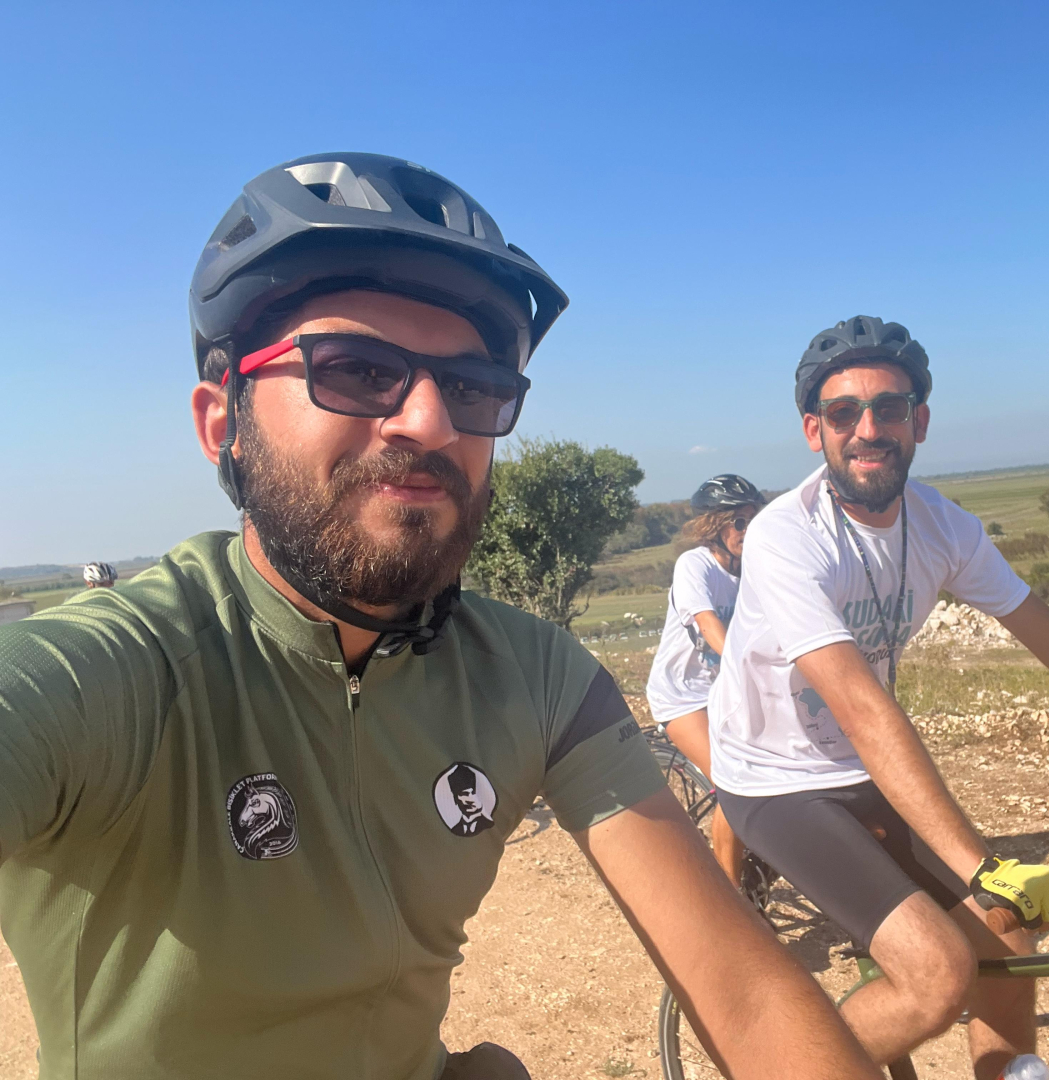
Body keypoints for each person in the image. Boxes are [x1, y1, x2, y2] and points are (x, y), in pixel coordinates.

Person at [0, 155, 881, 1080]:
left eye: (470, 386)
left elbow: (742, 993)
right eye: (355, 369)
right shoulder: (122, 671)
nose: (429, 420)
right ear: (222, 423)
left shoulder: (531, 677)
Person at [707, 316, 1049, 1080]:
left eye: (889, 407)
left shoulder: (945, 528)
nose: (868, 429)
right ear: (815, 431)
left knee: (1007, 931)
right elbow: (860, 705)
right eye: (843, 413)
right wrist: (978, 865)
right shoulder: (786, 537)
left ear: (919, 422)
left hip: (861, 768)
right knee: (936, 975)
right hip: (774, 779)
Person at [645, 474, 765, 886]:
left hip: (724, 692)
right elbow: (708, 623)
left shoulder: (754, 570)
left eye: (754, 519)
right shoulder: (695, 566)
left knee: (780, 772)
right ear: (714, 526)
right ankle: (731, 901)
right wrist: (747, 670)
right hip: (681, 697)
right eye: (739, 522)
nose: (748, 530)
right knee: (735, 787)